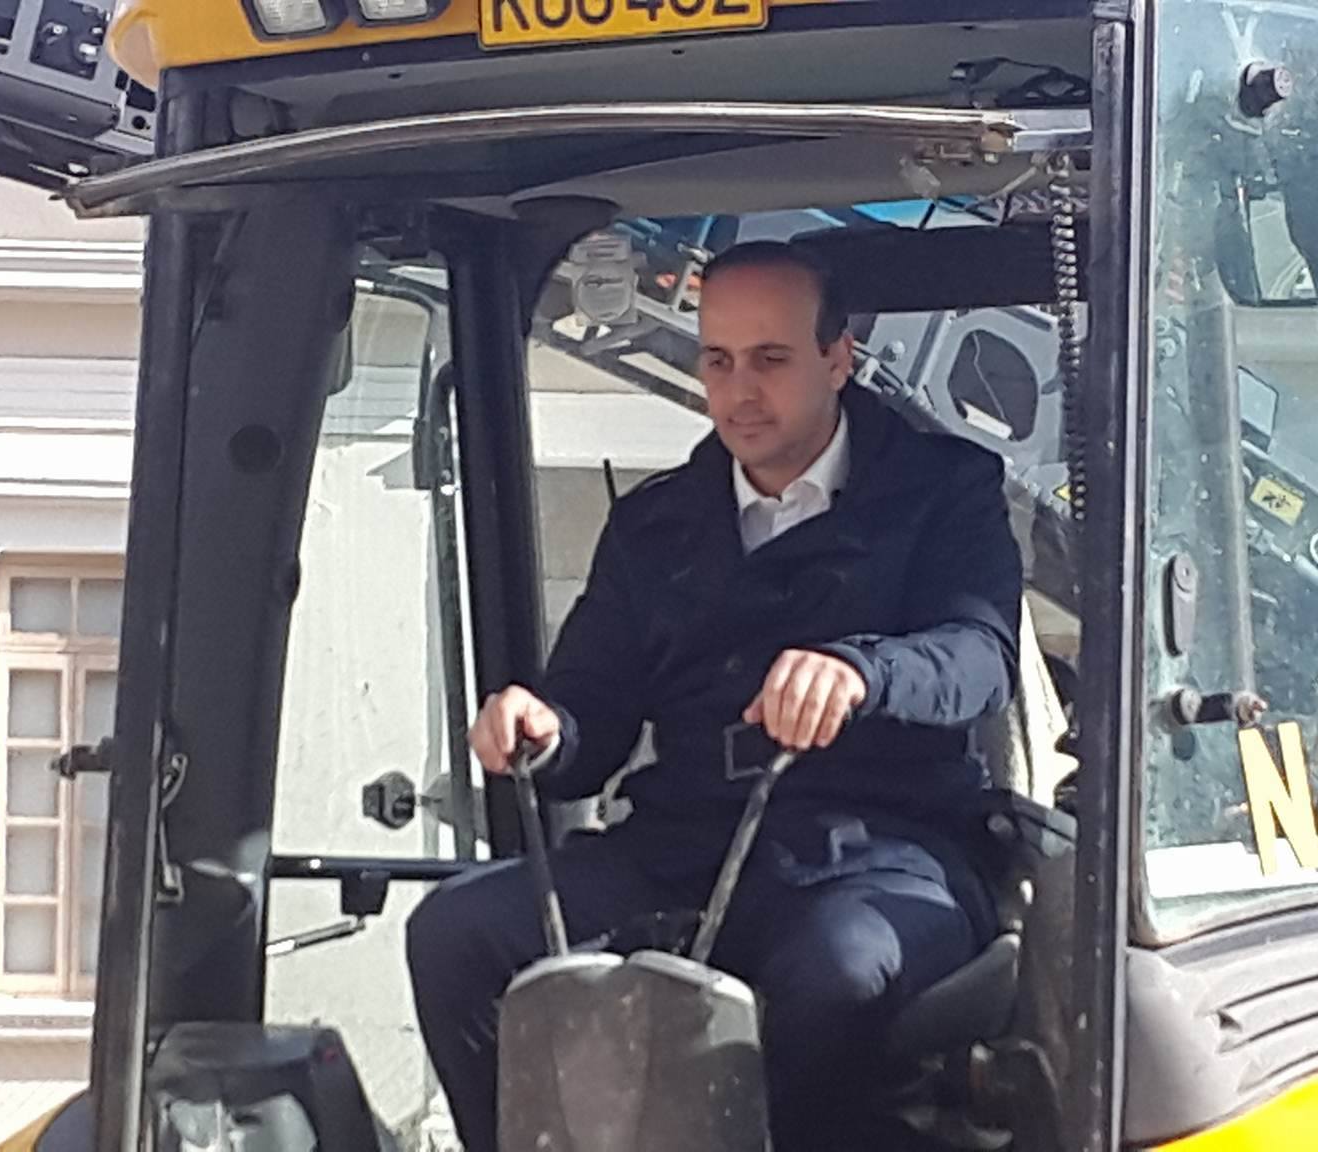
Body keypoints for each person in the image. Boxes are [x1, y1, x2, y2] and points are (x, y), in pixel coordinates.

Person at [407, 240, 1024, 1152]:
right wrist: (543, 726)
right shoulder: (654, 523)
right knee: (455, 933)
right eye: (718, 361)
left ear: (838, 357)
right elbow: (590, 709)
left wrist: (861, 673)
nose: (739, 392)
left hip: (885, 852)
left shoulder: (943, 490)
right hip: (681, 847)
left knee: (839, 970)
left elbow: (979, 656)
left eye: (770, 360)